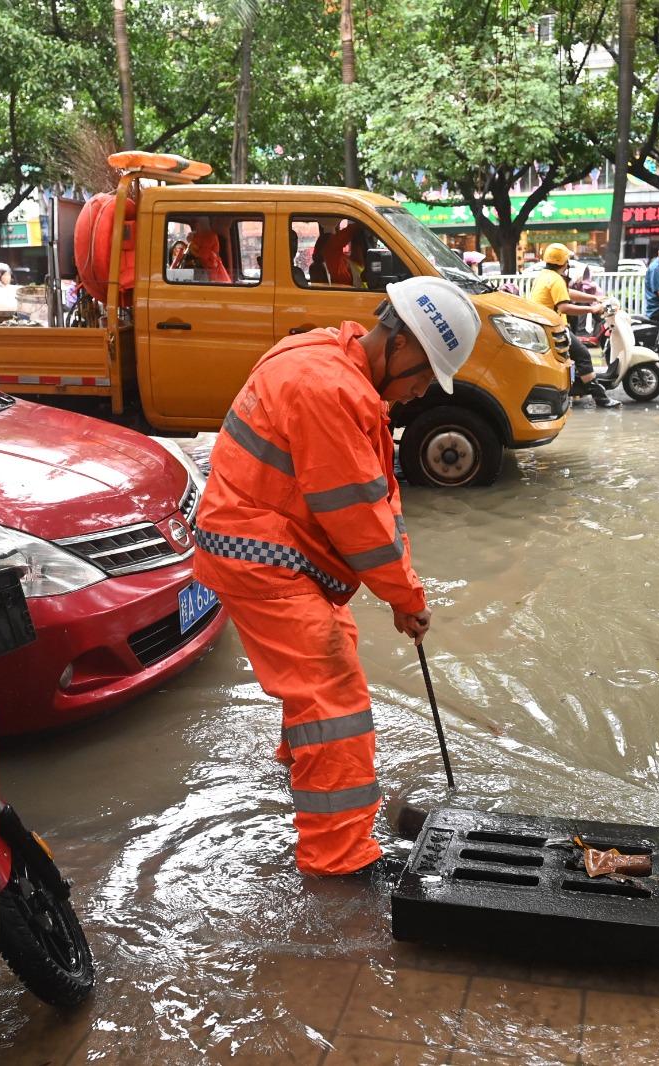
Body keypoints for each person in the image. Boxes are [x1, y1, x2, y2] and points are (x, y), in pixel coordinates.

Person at [192, 278, 480, 878]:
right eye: (423, 378)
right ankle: (339, 862)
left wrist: (404, 589)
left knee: (334, 649)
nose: (419, 393)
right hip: (261, 554)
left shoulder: (331, 358)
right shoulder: (327, 389)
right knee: (335, 702)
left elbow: (376, 499)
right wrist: (406, 599)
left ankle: (304, 764)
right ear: (401, 348)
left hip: (274, 546)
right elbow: (358, 519)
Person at [527, 244, 617, 407]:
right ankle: (600, 398)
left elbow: (567, 293)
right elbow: (564, 307)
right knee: (583, 354)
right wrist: (592, 309)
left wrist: (594, 298)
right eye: (567, 259)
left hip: (545, 325)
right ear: (563, 262)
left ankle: (578, 389)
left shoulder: (546, 275)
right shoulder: (556, 279)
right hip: (553, 328)